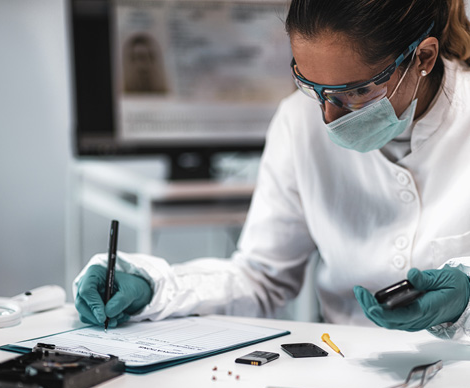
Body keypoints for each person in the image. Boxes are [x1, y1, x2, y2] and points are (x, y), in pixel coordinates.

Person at [74, 0, 470, 343]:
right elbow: (261, 279)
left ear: (423, 58)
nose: (328, 116)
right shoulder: (297, 123)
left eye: (356, 92)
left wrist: (466, 298)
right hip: (352, 370)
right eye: (311, 86)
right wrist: (155, 288)